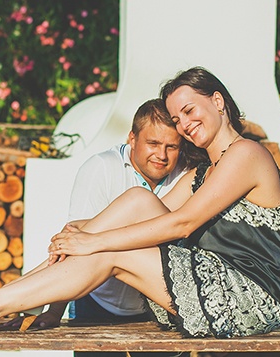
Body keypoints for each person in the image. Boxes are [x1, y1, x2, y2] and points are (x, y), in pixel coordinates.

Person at [0, 66, 280, 338]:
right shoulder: (202, 173)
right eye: (176, 118)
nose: (184, 125)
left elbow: (181, 223)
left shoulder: (247, 153)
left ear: (217, 101)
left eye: (189, 111)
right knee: (133, 200)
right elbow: (142, 215)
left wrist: (94, 241)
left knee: (107, 248)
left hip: (248, 296)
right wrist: (82, 232)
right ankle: (17, 295)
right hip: (208, 282)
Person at [31, 98, 188, 335]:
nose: (161, 155)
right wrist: (54, 311)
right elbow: (75, 241)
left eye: (171, 147)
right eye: (153, 143)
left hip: (157, 308)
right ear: (132, 139)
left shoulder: (185, 176)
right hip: (95, 300)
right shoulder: (100, 168)